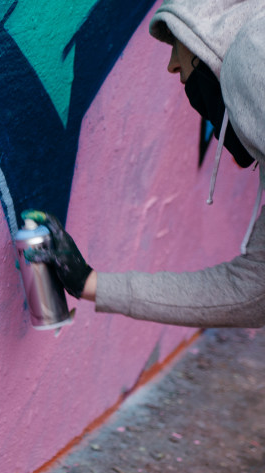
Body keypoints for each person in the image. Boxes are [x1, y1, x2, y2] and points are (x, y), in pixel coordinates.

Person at [25, 0, 265, 329]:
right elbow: (254, 291)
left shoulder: (253, 59)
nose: (171, 66)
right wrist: (89, 283)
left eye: (177, 42)